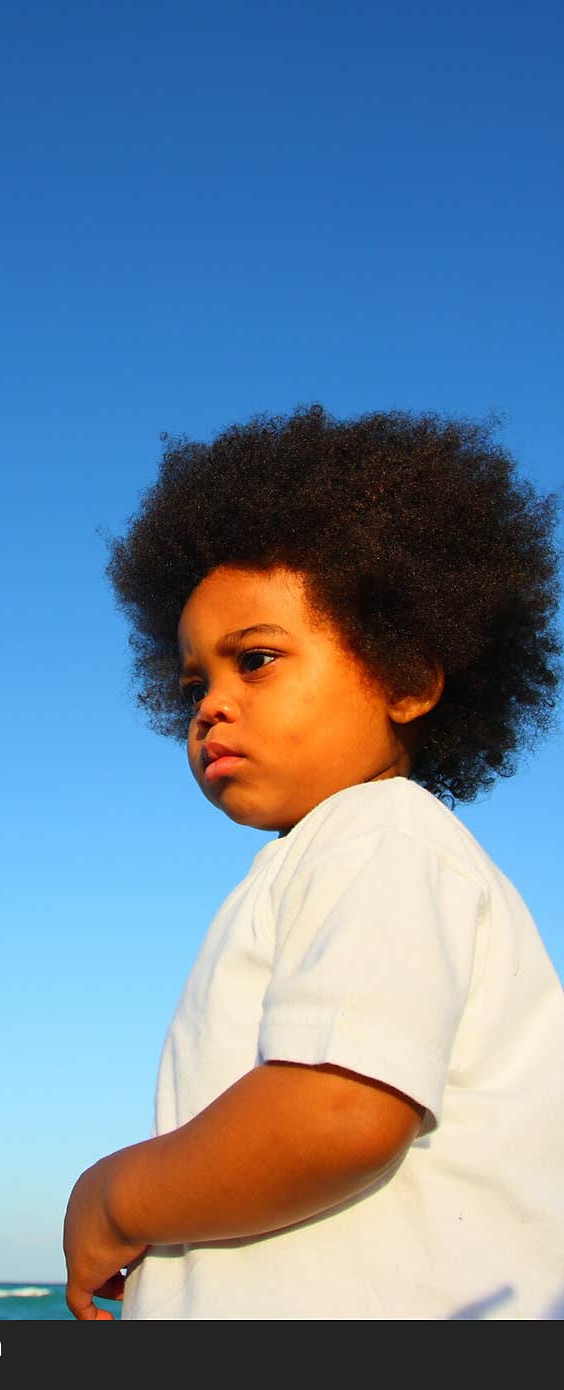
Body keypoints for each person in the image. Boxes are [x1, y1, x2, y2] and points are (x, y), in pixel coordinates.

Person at [63, 404, 564, 1321]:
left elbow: (336, 1114)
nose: (211, 706)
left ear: (407, 676)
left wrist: (118, 1195)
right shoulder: (339, 855)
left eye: (255, 660)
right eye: (194, 684)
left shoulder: (381, 836)